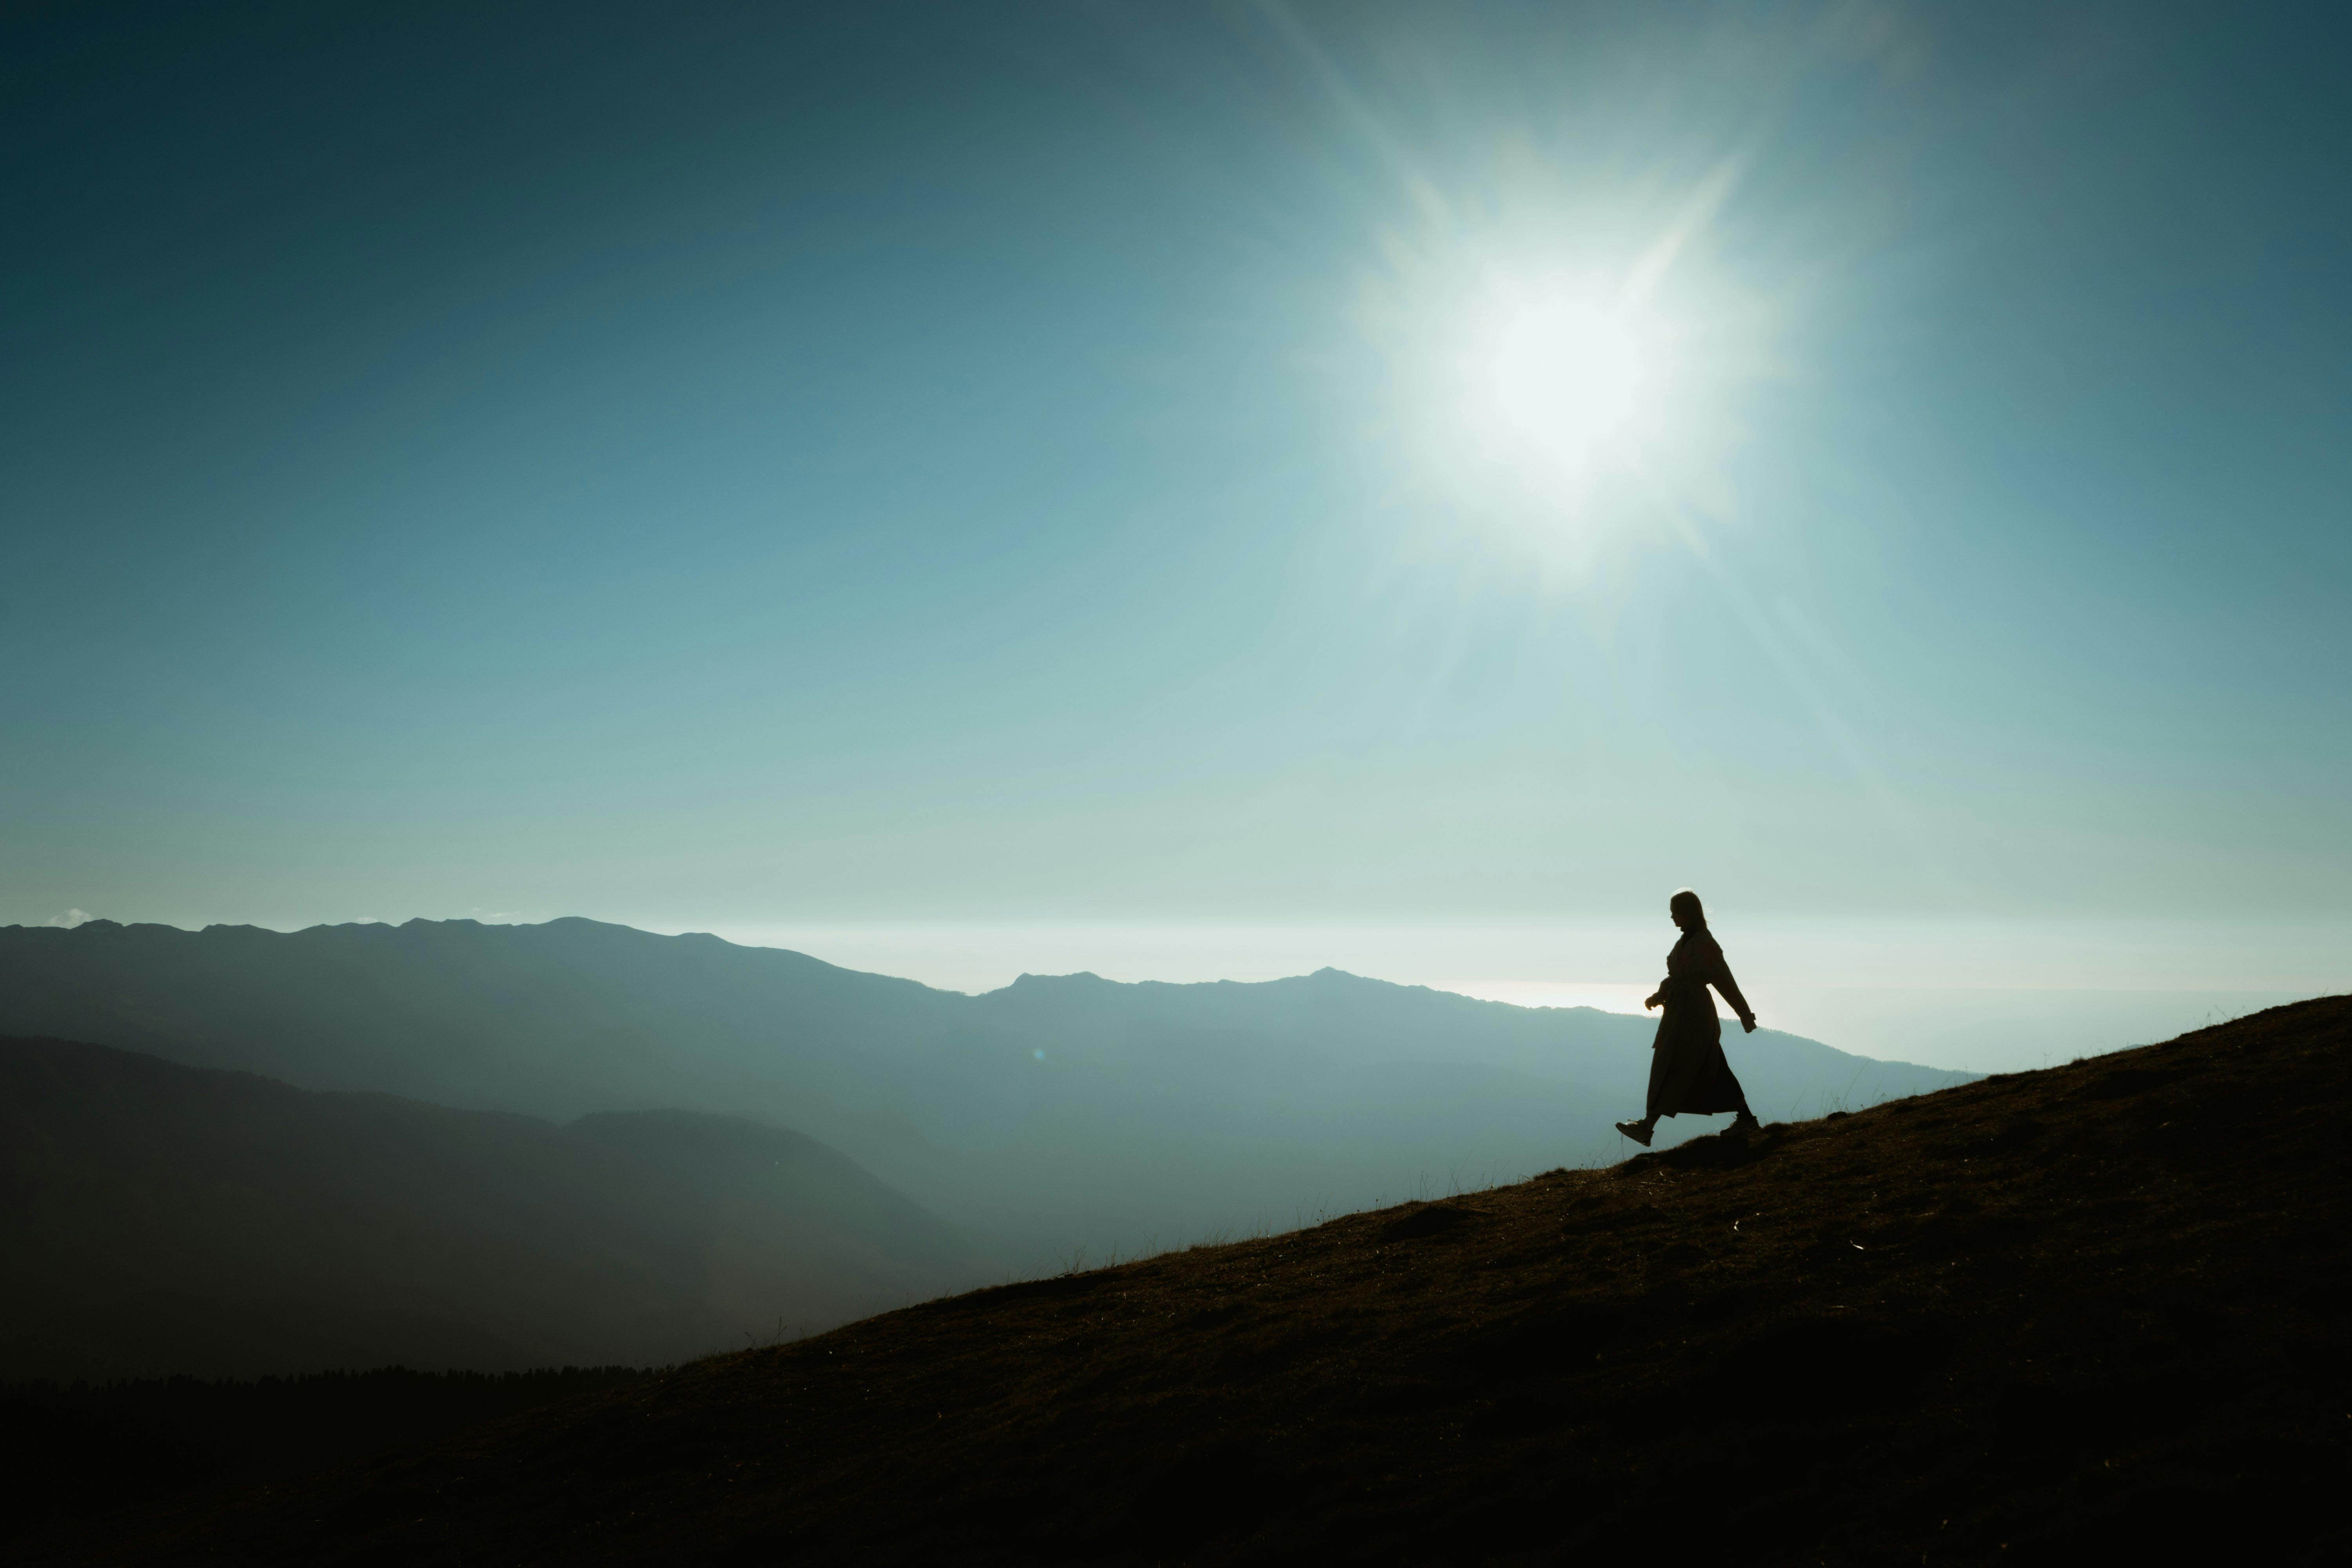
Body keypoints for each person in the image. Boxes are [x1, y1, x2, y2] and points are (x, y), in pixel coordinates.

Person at [1615, 889, 1761, 1146]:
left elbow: (1726, 982)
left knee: (1677, 1065)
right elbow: (1675, 977)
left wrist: (1745, 1015)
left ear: (1688, 913)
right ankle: (1746, 1119)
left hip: (1695, 1015)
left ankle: (1647, 1126)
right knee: (1710, 1065)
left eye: (1675, 912)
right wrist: (1659, 996)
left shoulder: (1704, 945)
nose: (1672, 917)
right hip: (1679, 1014)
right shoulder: (1687, 941)